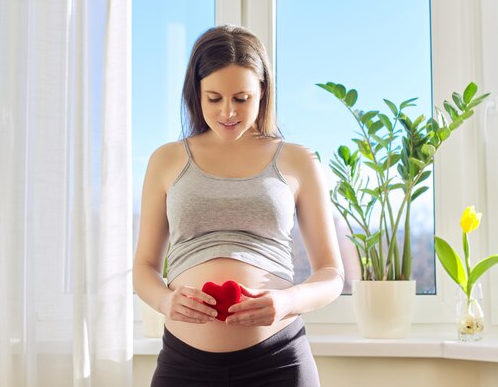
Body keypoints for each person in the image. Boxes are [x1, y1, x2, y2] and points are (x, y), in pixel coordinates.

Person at [133, 24, 344, 387]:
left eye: (241, 98)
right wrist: (166, 302)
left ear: (262, 91)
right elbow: (144, 267)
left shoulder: (297, 160)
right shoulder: (166, 159)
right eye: (214, 98)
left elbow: (331, 274)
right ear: (195, 94)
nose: (228, 112)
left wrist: (287, 301)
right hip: (185, 364)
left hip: (278, 361)